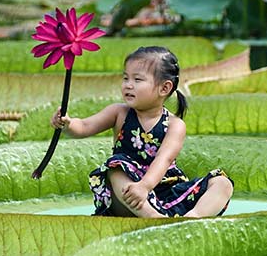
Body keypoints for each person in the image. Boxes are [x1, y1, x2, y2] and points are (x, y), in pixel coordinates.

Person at [50, 46, 234, 218]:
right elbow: (84, 127)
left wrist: (145, 186)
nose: (128, 85)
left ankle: (191, 219)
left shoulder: (174, 124)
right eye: (125, 78)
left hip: (164, 189)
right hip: (128, 196)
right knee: (115, 167)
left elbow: (164, 159)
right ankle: (154, 219)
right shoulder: (119, 113)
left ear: (165, 88)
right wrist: (67, 123)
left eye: (137, 80)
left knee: (222, 183)